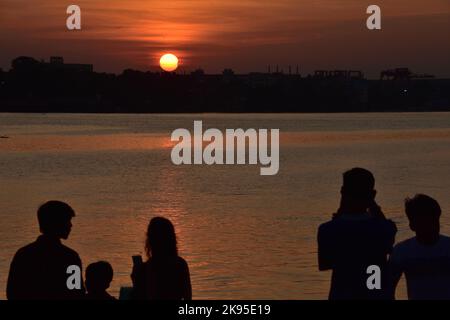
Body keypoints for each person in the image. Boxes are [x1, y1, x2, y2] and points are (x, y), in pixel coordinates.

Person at [317, 168, 397, 299]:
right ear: (372, 195)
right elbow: (385, 232)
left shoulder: (327, 230)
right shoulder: (385, 228)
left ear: (343, 192)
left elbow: (325, 264)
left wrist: (339, 212)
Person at [7, 201, 85, 299]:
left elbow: (12, 292)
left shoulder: (23, 254)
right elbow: (76, 293)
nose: (70, 225)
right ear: (57, 223)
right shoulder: (70, 257)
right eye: (67, 221)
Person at [389, 194, 450, 300]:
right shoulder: (402, 252)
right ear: (412, 225)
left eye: (434, 221)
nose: (431, 227)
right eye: (424, 223)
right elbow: (388, 287)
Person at [131, 217, 192, 300]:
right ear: (172, 239)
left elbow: (139, 297)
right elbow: (187, 297)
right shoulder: (180, 264)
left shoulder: (144, 269)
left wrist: (136, 280)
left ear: (150, 240)